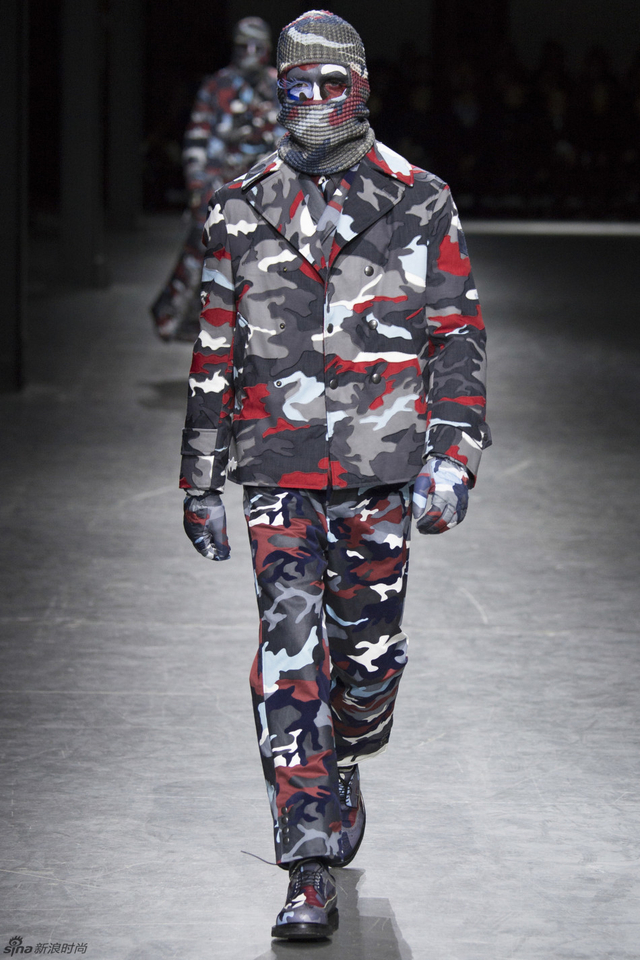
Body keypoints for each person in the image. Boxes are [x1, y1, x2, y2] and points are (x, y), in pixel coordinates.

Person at [180, 10, 490, 941]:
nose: (310, 99)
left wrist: (453, 455)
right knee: (288, 656)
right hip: (275, 461)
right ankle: (306, 866)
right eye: (294, 83)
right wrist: (200, 478)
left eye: (328, 83)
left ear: (360, 86)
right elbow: (215, 346)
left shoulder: (419, 198)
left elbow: (457, 334)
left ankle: (347, 752)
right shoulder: (240, 206)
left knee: (366, 662)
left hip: (381, 463)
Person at [151, 17, 283, 341]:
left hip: (265, 187)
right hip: (219, 185)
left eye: (257, 47)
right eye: (243, 46)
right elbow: (198, 137)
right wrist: (198, 186)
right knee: (202, 247)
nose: (250, 54)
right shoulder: (217, 85)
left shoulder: (279, 86)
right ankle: (173, 315)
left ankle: (258, 324)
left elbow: (290, 139)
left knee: (267, 257)